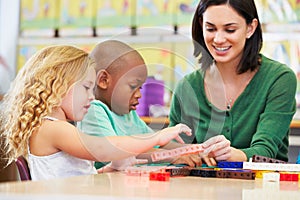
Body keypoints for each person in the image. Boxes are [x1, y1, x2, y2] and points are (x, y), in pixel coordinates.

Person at [0, 45, 193, 180]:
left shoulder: (57, 127)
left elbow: (75, 177)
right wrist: (156, 138)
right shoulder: (51, 128)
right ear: (57, 86)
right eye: (86, 87)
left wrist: (107, 170)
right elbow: (102, 148)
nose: (91, 96)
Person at [168, 0, 297, 163]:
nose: (219, 39)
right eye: (210, 29)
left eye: (230, 30)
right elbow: (173, 146)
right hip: (203, 187)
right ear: (201, 25)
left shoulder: (279, 79)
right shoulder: (188, 87)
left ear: (250, 28)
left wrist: (235, 156)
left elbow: (266, 150)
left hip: (263, 186)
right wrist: (179, 155)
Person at [78, 40, 204, 171]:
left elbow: (157, 144)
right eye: (133, 86)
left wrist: (198, 150)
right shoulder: (93, 110)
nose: (139, 95)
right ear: (104, 80)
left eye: (140, 88)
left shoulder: (128, 114)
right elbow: (117, 150)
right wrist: (172, 157)